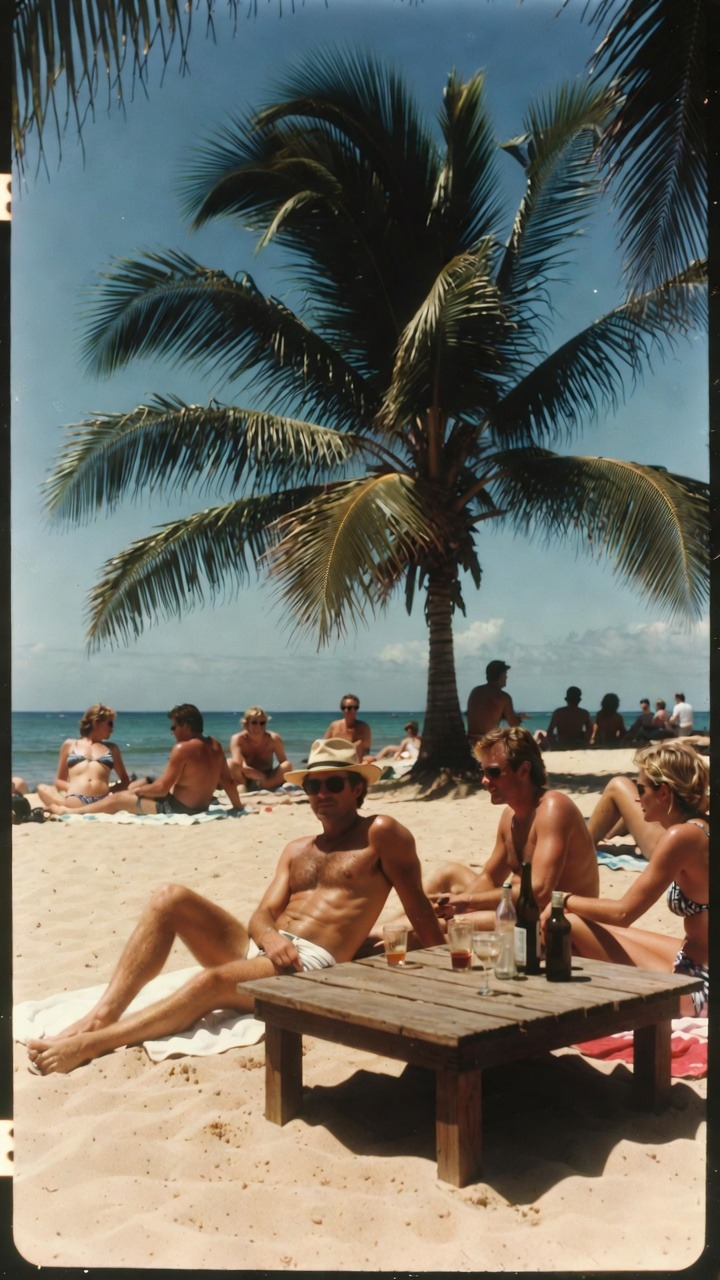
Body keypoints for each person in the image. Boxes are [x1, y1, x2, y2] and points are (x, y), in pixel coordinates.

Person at [26, 739, 444, 1075]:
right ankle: (103, 1015)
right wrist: (268, 936)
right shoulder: (297, 849)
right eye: (313, 786)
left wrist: (447, 966)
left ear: (357, 788)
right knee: (168, 897)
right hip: (267, 949)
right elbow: (260, 915)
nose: (322, 795)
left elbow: (419, 907)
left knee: (210, 983)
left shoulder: (382, 833)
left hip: (311, 964)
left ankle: (93, 1043)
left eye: (334, 785)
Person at [550, 742, 708, 1017]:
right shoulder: (701, 826)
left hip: (700, 988)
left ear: (664, 792)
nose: (636, 798)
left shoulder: (681, 838)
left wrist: (563, 899)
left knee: (571, 924)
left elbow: (623, 913)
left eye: (641, 789)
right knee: (594, 928)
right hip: (695, 959)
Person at [412, 727, 599, 934]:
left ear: (524, 771)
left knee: (444, 927)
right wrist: (454, 907)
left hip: (558, 924)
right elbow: (490, 879)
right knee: (446, 874)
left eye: (492, 772)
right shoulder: (510, 816)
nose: (484, 780)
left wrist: (466, 903)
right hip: (520, 910)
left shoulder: (554, 808)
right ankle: (390, 925)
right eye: (483, 771)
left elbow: (540, 892)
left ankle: (392, 932)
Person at [45, 704, 242, 817]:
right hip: (201, 807)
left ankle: (72, 813)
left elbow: (163, 788)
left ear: (186, 726)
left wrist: (137, 791)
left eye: (174, 727)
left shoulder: (182, 748)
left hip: (178, 809)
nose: (172, 732)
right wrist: (237, 807)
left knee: (118, 799)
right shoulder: (215, 745)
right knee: (140, 787)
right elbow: (228, 781)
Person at [37, 704, 131, 810]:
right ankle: (69, 806)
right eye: (110, 724)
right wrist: (74, 788)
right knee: (42, 788)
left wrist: (109, 790)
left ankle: (64, 808)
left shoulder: (112, 749)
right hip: (76, 798)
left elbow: (125, 781)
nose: (112, 729)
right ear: (96, 723)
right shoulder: (70, 744)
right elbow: (59, 781)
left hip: (102, 800)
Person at [227, 707, 292, 790]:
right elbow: (239, 765)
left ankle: (264, 786)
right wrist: (258, 775)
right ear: (245, 724)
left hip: (267, 778)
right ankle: (243, 787)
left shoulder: (274, 738)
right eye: (254, 722)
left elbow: (284, 763)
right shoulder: (238, 739)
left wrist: (263, 777)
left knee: (287, 765)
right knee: (230, 763)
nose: (258, 726)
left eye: (262, 723)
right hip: (246, 778)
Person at [466, 660, 526, 745]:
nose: (506, 677)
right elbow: (515, 726)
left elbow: (485, 714)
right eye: (505, 674)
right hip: (487, 743)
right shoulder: (503, 697)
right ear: (500, 675)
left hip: (470, 741)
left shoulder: (476, 691)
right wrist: (519, 719)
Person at [325, 694, 372, 760]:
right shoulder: (334, 726)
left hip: (355, 764)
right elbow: (324, 746)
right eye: (348, 708)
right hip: (335, 761)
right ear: (342, 709)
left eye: (353, 708)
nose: (347, 710)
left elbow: (366, 751)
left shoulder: (364, 728)